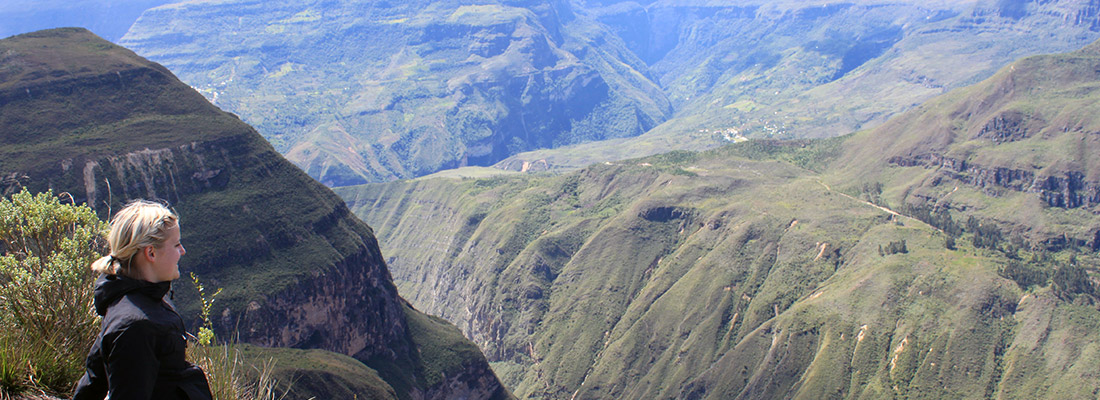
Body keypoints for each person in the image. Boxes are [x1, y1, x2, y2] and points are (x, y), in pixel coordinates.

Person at [73, 200, 213, 400]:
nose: (182, 251)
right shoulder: (136, 326)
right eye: (176, 244)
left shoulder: (133, 302)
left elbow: (95, 377)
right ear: (151, 253)